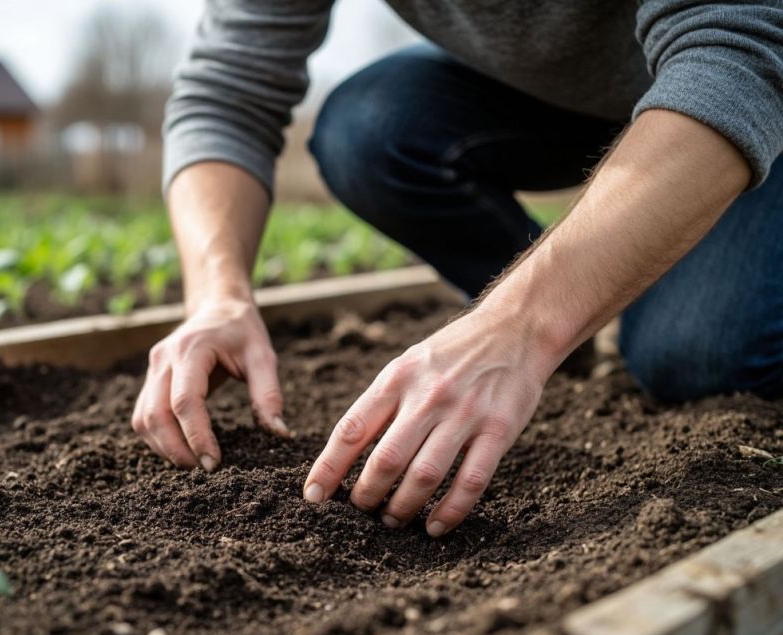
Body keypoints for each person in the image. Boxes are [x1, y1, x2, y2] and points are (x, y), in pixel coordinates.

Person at [132, 1, 783, 538]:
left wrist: (521, 325)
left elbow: (738, 54)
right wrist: (218, 295)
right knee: (370, 126)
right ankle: (590, 305)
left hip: (755, 72)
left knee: (692, 355)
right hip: (584, 93)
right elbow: (226, 91)